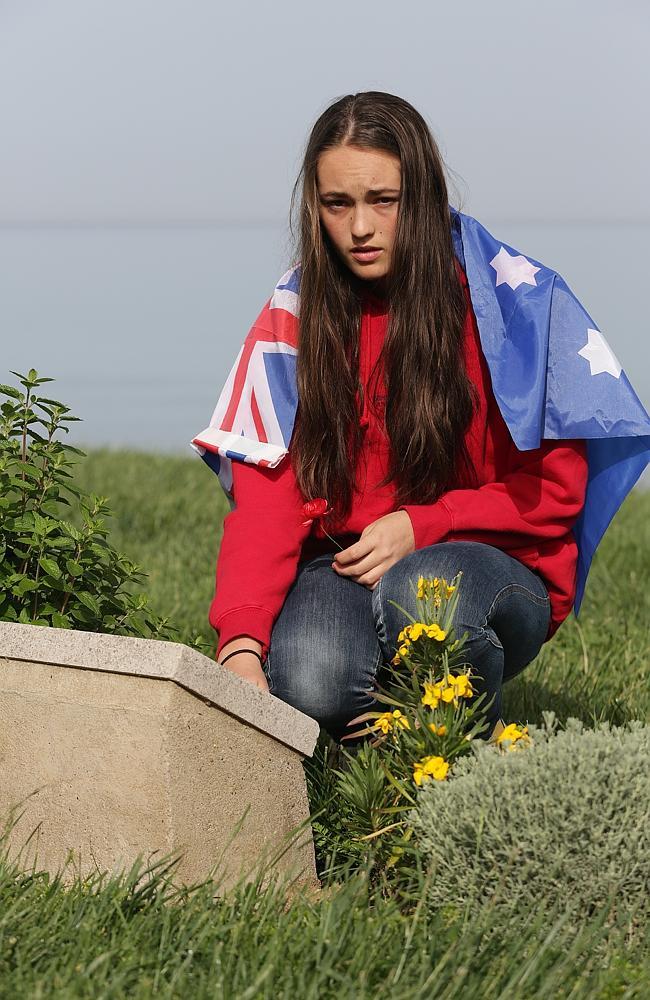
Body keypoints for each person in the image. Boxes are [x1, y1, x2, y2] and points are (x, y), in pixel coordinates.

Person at [198, 91, 591, 745]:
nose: (360, 228)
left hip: (498, 566)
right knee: (311, 680)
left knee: (421, 589)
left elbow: (555, 493)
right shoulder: (296, 313)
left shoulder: (510, 304)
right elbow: (268, 496)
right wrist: (240, 641)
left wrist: (425, 523)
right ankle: (384, 759)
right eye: (338, 204)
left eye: (384, 200)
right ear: (314, 206)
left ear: (426, 194)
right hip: (348, 563)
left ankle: (467, 757)